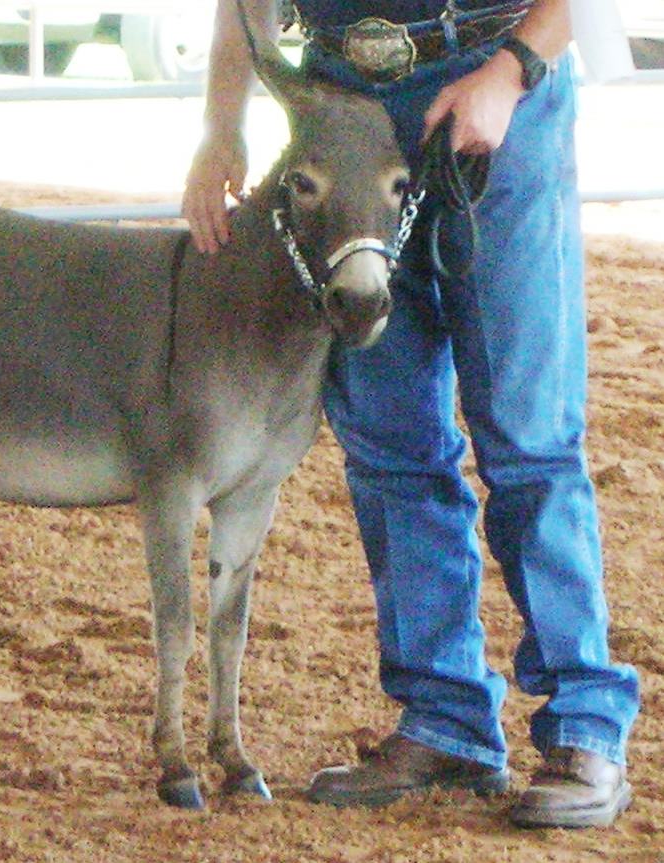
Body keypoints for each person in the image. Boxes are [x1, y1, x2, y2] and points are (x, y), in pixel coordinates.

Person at [183, 0, 640, 829]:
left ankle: (583, 726)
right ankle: (443, 716)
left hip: (493, 80)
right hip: (337, 107)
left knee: (526, 432)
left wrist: (510, 73)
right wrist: (221, 126)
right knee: (388, 441)